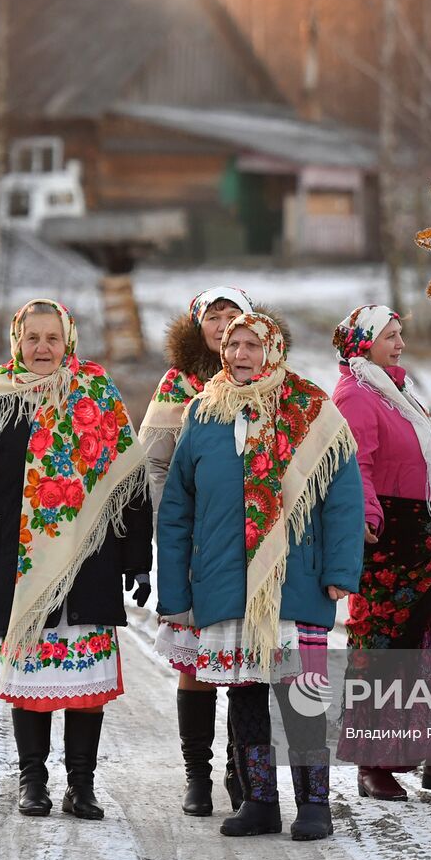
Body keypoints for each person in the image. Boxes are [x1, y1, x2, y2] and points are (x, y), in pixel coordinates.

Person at [156, 312, 365, 841]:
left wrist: (341, 569)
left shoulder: (311, 409)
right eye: (233, 344)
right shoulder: (204, 412)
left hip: (297, 581)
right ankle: (260, 803)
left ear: (272, 349)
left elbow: (343, 498)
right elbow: (178, 508)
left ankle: (316, 805)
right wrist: (177, 590)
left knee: (301, 696)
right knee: (244, 695)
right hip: (225, 583)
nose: (240, 354)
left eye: (252, 344)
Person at [0, 299, 152, 822]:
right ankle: (32, 780)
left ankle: (81, 786)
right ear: (17, 341)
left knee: (84, 691)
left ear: (69, 341)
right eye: (32, 338)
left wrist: (137, 558)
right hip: (22, 569)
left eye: (52, 338)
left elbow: (128, 486)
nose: (42, 348)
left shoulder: (99, 397)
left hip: (90, 566)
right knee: (32, 684)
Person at [329, 304, 431, 800]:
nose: (400, 344)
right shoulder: (356, 395)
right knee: (386, 650)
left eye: (401, 335)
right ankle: (373, 763)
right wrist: (368, 520)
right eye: (390, 336)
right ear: (362, 342)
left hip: (430, 533)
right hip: (391, 541)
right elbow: (358, 466)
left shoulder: (396, 392)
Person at [140, 286, 267, 817]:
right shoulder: (180, 386)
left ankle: (244, 776)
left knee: (245, 660)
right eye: (214, 318)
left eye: (232, 317)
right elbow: (154, 462)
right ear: (200, 326)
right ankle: (198, 775)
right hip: (198, 544)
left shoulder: (267, 379)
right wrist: (179, 525)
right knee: (197, 663)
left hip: (257, 547)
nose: (222, 327)